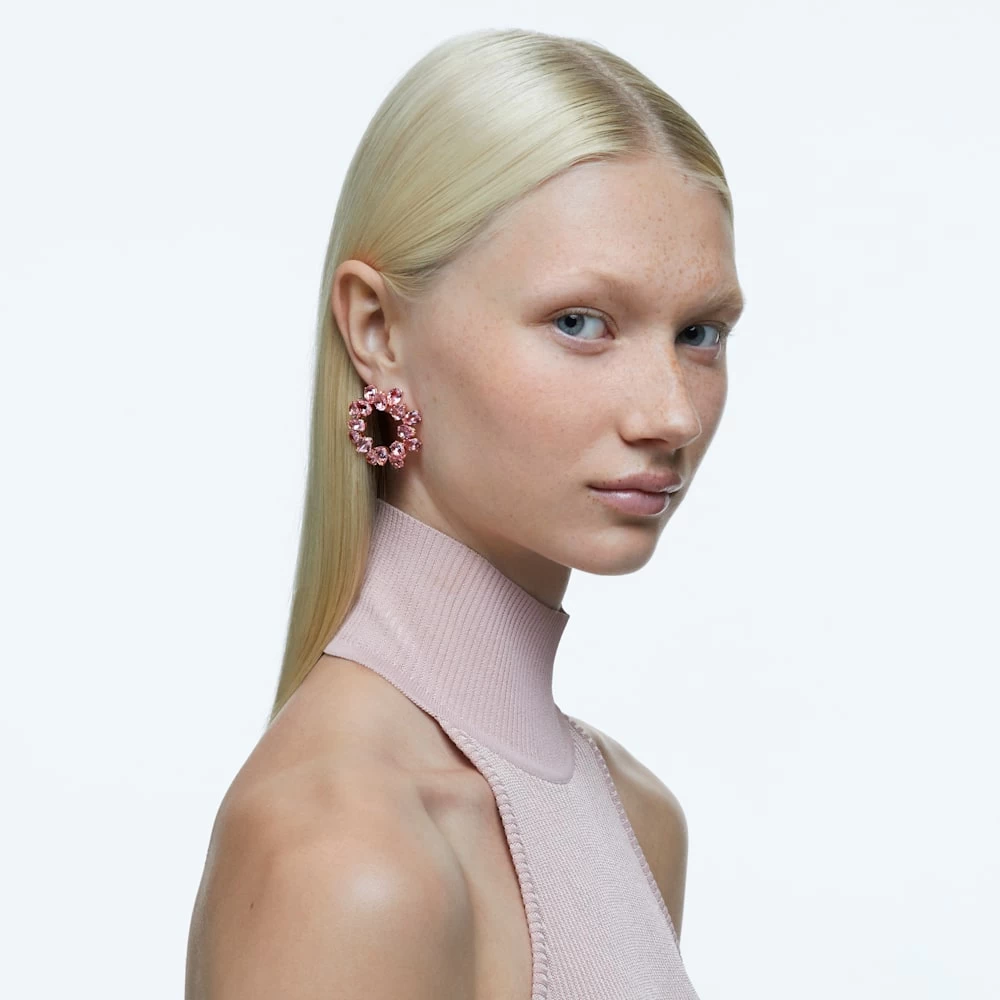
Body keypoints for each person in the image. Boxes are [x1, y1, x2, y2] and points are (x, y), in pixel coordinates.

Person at [186, 26, 744, 1000]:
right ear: (377, 330)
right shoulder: (345, 854)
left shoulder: (637, 818)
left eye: (698, 333)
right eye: (580, 322)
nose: (671, 414)